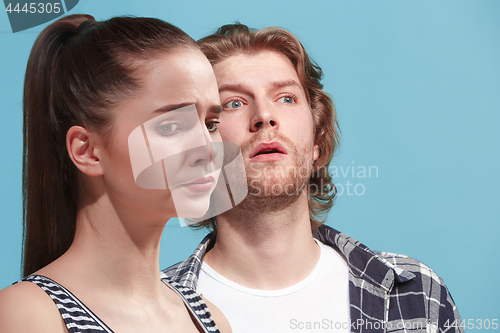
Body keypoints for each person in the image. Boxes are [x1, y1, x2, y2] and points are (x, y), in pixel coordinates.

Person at [162, 23, 463, 333]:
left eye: (286, 98)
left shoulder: (418, 296)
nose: (265, 115)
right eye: (233, 103)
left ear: (317, 140)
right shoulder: (147, 314)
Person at [0, 14, 231, 333]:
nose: (207, 149)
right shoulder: (27, 317)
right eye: (171, 126)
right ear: (86, 150)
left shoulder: (209, 319)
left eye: (211, 125)